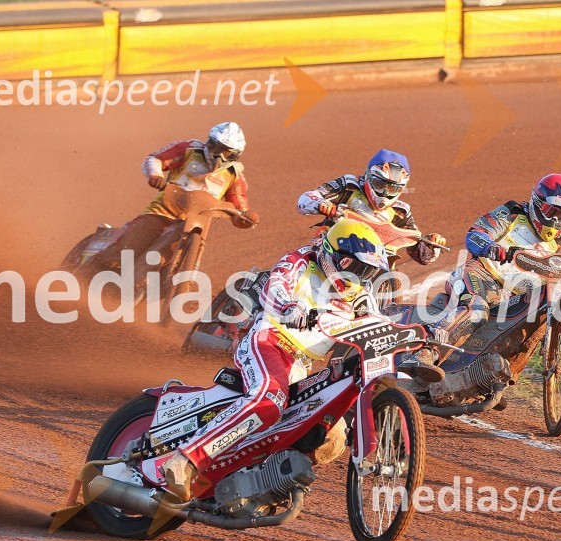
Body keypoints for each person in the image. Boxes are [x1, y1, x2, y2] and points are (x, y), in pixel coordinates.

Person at [162, 218, 390, 501]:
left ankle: (262, 480)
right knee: (271, 401)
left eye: (366, 271)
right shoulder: (301, 262)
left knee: (331, 435)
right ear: (333, 254)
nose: (358, 276)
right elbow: (276, 286)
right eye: (354, 266)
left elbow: (378, 323)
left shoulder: (359, 292)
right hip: (267, 342)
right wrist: (288, 307)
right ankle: (185, 460)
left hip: (299, 364)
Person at [400, 173, 561, 381]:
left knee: (537, 317)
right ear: (536, 203)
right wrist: (492, 248)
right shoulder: (512, 214)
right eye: (551, 211)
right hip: (480, 275)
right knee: (476, 308)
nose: (555, 220)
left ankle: (494, 378)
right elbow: (475, 234)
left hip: (512, 298)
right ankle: (426, 353)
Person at [85, 122, 259, 276]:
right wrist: (155, 175)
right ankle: (81, 279)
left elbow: (239, 206)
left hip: (192, 227)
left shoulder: (234, 176)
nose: (219, 156)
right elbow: (155, 159)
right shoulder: (190, 150)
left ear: (235, 156)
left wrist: (247, 217)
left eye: (227, 153)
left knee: (166, 260)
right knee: (125, 251)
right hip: (161, 213)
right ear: (209, 143)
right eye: (217, 149)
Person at [297, 149, 446, 265]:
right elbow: (305, 199)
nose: (386, 193)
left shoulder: (400, 212)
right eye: (380, 185)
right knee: (295, 262)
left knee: (395, 285)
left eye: (393, 189)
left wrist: (432, 245)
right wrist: (321, 204)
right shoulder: (349, 187)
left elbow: (421, 255)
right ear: (368, 176)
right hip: (329, 255)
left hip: (373, 269)